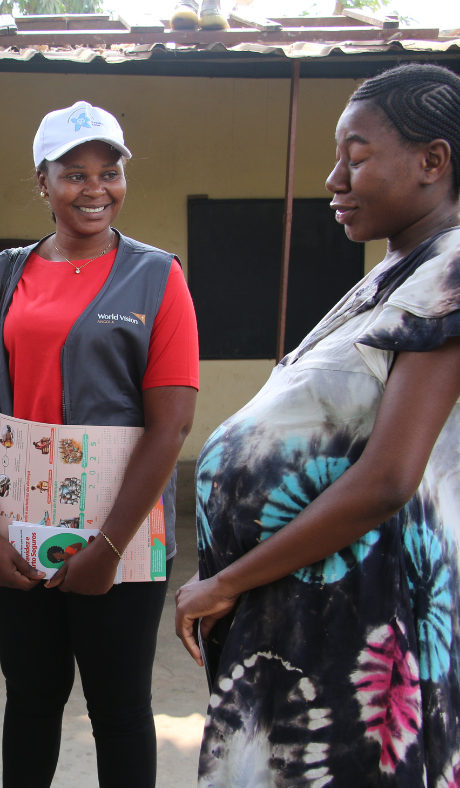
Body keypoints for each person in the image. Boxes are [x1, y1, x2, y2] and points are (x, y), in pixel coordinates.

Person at [174, 63, 460, 786]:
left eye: (356, 157)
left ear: (434, 162)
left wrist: (227, 582)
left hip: (356, 625)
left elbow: (388, 478)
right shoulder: (400, 268)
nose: (335, 178)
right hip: (309, 617)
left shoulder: (452, 275)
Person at [0, 100, 200, 788]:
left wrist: (109, 549)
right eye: (75, 173)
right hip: (17, 533)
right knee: (31, 700)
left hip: (121, 536)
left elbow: (170, 424)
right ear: (42, 182)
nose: (96, 189)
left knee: (119, 710)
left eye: (110, 171)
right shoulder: (0, 277)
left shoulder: (158, 278)